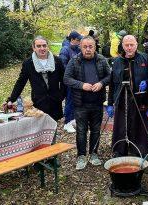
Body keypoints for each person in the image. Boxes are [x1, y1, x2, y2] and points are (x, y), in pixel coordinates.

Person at [64, 36, 111, 170]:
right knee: (81, 130)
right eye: (85, 47)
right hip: (80, 103)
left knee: (96, 130)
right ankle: (81, 156)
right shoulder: (74, 61)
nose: (88, 49)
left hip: (97, 102)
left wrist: (101, 83)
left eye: (90, 47)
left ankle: (94, 154)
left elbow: (109, 76)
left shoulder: (101, 59)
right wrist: (81, 85)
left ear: (95, 47)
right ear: (80, 47)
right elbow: (66, 78)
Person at [107, 35, 148, 158]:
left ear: (136, 45)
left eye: (132, 44)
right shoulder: (117, 61)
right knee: (121, 126)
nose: (129, 47)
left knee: (139, 126)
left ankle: (140, 151)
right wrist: (110, 103)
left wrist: (147, 83)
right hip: (121, 98)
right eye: (127, 45)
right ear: (122, 46)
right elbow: (112, 84)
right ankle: (119, 151)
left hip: (139, 98)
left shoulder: (144, 58)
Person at [5, 36, 65, 121]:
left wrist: (61, 95)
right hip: (39, 101)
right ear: (34, 48)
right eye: (39, 46)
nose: (42, 48)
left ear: (47, 46)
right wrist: (11, 99)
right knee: (40, 128)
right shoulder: (28, 63)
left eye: (44, 45)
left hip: (55, 100)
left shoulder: (57, 61)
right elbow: (21, 82)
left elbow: (64, 80)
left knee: (53, 127)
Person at [59, 30, 82, 133]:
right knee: (70, 101)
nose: (79, 42)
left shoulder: (77, 49)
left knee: (76, 101)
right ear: (72, 39)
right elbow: (62, 66)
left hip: (77, 80)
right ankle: (67, 123)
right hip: (69, 81)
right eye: (78, 40)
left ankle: (72, 120)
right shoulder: (65, 49)